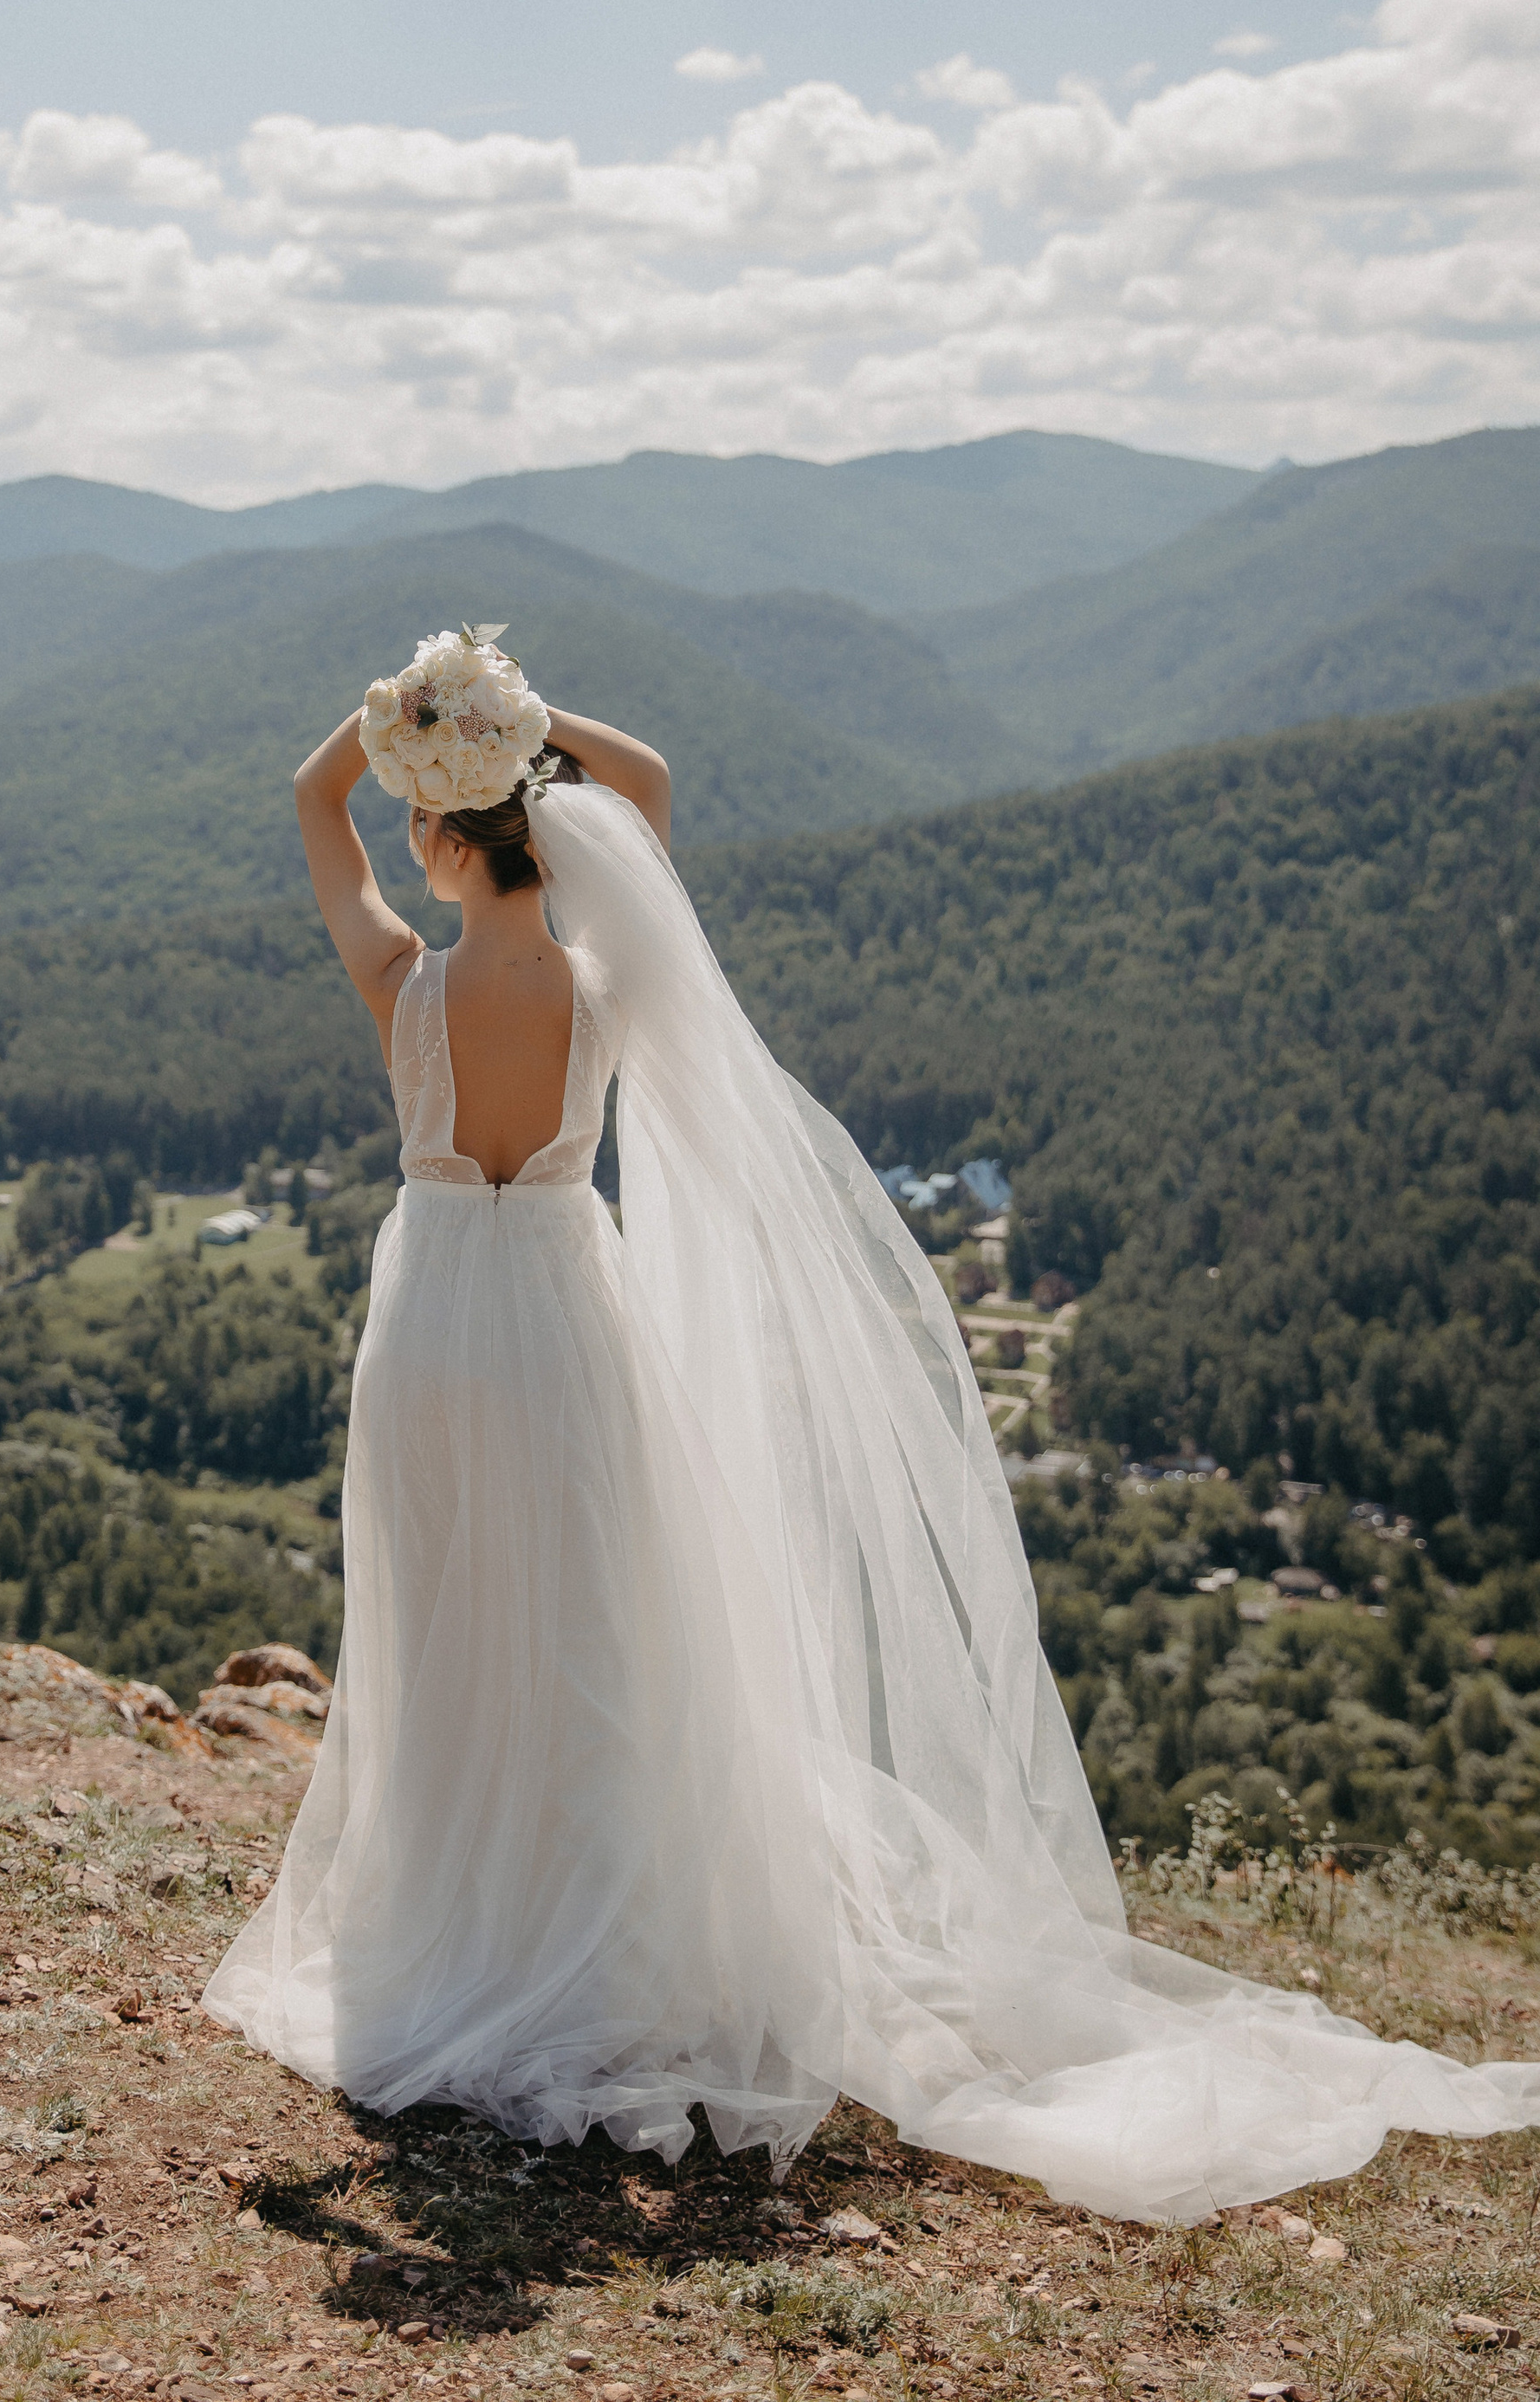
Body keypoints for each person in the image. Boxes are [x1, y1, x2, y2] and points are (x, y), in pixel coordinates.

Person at [204, 629, 1540, 2223]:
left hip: (432, 1334)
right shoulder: (613, 985)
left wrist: (394, 725)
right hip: (567, 1320)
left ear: (430, 829)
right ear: (535, 812)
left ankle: (451, 1918)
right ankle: (585, 1917)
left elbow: (307, 796)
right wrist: (500, 718)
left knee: (443, 1618)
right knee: (591, 1626)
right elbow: (650, 784)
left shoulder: (399, 984)